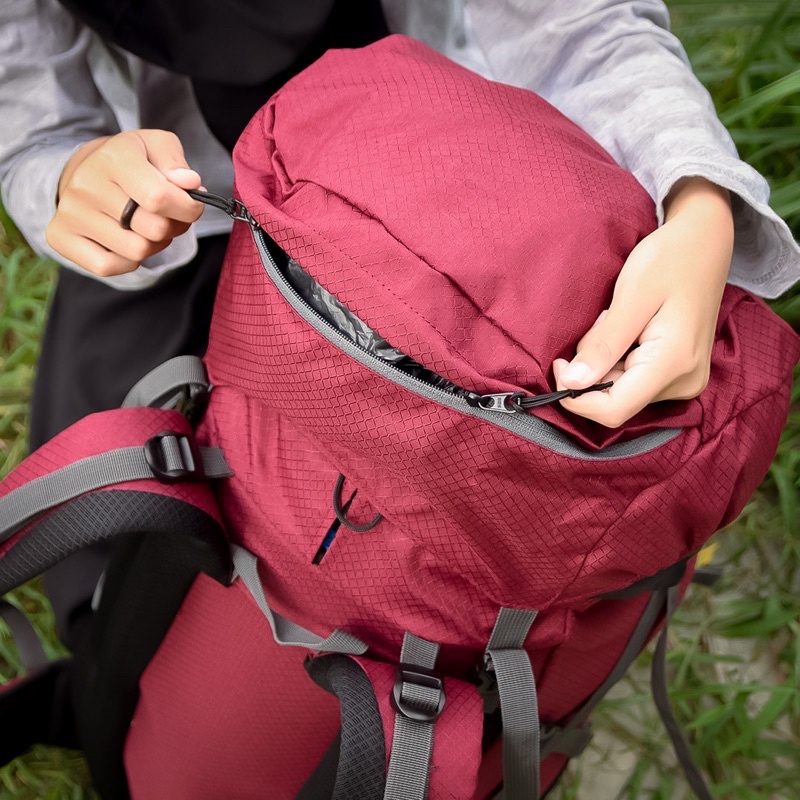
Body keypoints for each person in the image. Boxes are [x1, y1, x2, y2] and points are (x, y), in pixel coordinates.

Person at [1, 0, 799, 643]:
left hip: (452, 181)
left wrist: (697, 204)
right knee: (105, 568)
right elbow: (31, 133)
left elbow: (582, 26)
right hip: (187, 218)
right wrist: (71, 177)